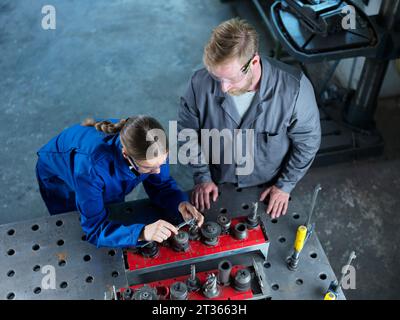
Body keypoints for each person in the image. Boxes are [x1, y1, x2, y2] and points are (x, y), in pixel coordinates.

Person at [178, 18, 321, 219]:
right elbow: (187, 133)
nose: (223, 88)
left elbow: (308, 143)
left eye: (230, 79)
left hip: (267, 184)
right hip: (217, 179)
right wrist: (202, 176)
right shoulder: (198, 84)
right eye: (216, 77)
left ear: (253, 62)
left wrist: (284, 185)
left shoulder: (294, 91)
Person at [36, 116, 204, 248]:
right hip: (59, 175)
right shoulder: (90, 170)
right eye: (149, 168)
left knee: (114, 209)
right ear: (126, 155)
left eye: (163, 161)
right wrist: (143, 233)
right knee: (72, 225)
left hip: (100, 166)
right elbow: (94, 229)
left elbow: (162, 185)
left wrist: (179, 204)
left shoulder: (153, 148)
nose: (158, 170)